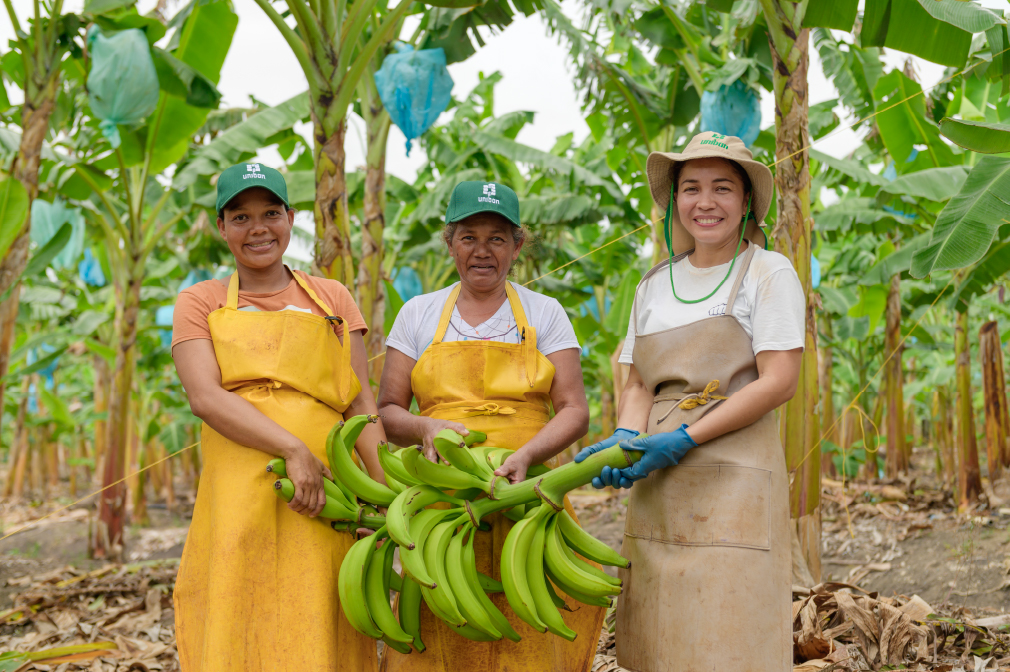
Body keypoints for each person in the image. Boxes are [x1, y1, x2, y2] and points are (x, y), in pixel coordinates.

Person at [575, 132, 804, 672]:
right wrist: (626, 441)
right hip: (660, 488)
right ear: (674, 200)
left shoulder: (767, 272)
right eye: (691, 188)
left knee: (731, 638)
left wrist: (684, 438)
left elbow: (778, 381)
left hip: (736, 485)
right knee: (658, 639)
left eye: (723, 188)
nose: (706, 202)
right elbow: (638, 384)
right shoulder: (654, 283)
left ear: (746, 201)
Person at [377, 181, 604, 672]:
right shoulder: (418, 314)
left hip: (529, 488)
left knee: (529, 621)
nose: (482, 251)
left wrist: (524, 456)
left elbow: (573, 409)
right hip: (441, 497)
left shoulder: (545, 313)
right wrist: (426, 429)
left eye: (497, 239)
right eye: (469, 237)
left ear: (517, 246)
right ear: (449, 241)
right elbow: (389, 411)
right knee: (444, 614)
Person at [170, 162, 386, 672]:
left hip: (330, 488)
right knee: (238, 608)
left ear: (291, 217)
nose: (258, 227)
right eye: (240, 217)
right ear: (220, 227)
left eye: (271, 212)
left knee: (319, 611)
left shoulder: (332, 297)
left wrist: (385, 499)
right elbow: (205, 396)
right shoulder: (198, 301)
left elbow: (359, 403)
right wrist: (292, 449)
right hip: (241, 484)